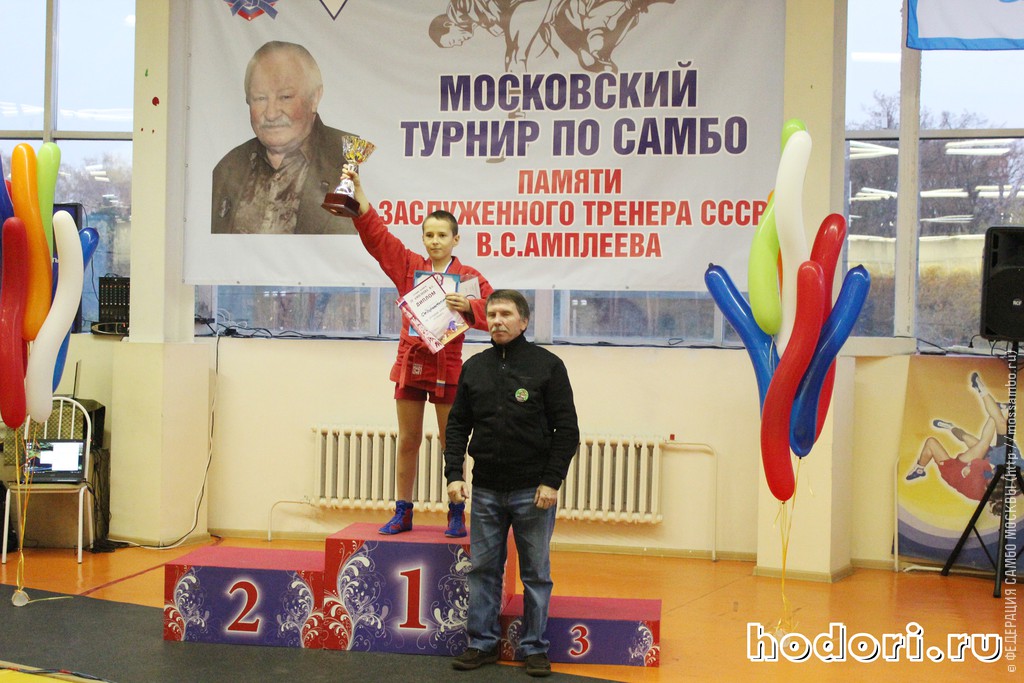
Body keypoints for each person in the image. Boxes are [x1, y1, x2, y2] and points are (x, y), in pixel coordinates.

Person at [344, 168, 493, 538]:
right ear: (423, 238)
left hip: (448, 367)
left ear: (456, 239)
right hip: (410, 364)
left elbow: (495, 314)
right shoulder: (410, 266)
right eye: (429, 235)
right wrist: (358, 190)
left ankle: (456, 511)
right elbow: (378, 237)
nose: (435, 241)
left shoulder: (469, 278)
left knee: (450, 443)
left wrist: (469, 306)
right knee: (408, 440)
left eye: (442, 235)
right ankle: (403, 510)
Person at [444, 289, 580, 677]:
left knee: (535, 574)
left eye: (506, 314)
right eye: (492, 315)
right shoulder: (475, 367)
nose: (497, 321)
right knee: (484, 570)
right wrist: (454, 474)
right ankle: (481, 644)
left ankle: (534, 648)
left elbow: (567, 430)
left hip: (533, 492)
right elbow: (457, 426)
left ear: (524, 321)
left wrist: (551, 481)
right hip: (486, 489)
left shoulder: (547, 366)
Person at [211, 40, 357, 235]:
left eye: (285, 97)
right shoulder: (227, 169)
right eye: (260, 98)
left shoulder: (354, 158)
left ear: (314, 98)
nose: (271, 114)